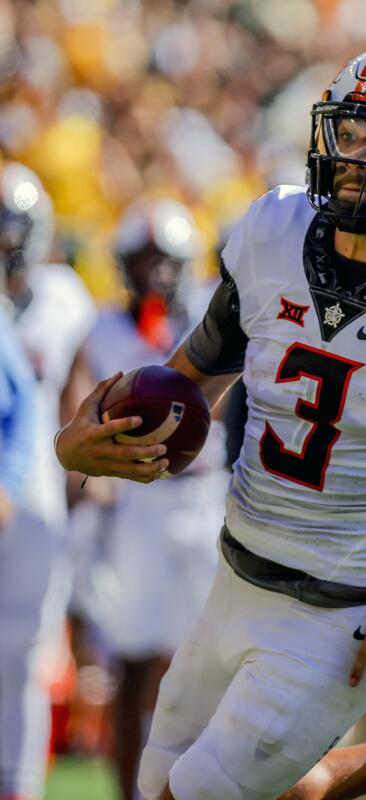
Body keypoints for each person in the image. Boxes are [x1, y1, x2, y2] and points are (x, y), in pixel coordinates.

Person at [55, 42, 366, 800]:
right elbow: (192, 377)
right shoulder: (272, 233)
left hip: (346, 607)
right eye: (348, 134)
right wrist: (82, 443)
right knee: (168, 784)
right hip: (236, 575)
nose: (355, 158)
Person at [71, 198, 227, 800]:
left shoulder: (213, 318)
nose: (158, 272)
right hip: (137, 501)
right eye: (145, 259)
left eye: (167, 259)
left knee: (207, 662)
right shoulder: (104, 330)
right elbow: (77, 405)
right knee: (134, 661)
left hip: (202, 494)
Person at [0, 161, 95, 800]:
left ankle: (20, 783)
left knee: (25, 653)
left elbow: (76, 391)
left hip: (35, 495)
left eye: (14, 228)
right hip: (20, 484)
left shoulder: (64, 297)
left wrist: (85, 475)